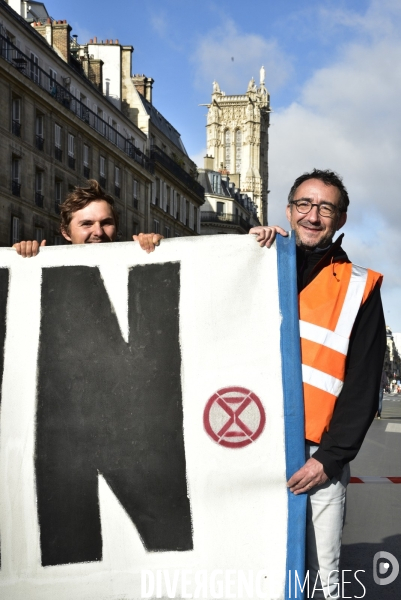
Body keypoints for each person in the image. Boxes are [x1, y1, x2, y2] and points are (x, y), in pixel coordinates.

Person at [250, 169, 386, 599]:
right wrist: (243, 250)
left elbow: (363, 385)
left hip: (317, 458)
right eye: (304, 205)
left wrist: (329, 459)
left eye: (326, 208)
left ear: (340, 219)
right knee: (253, 566)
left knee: (320, 579)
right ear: (288, 210)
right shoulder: (256, 262)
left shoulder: (359, 286)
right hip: (251, 442)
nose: (313, 215)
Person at [13, 180, 163, 257]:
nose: (98, 232)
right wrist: (18, 259)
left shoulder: (134, 263)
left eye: (106, 223)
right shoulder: (44, 270)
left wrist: (159, 250)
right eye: (87, 224)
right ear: (65, 232)